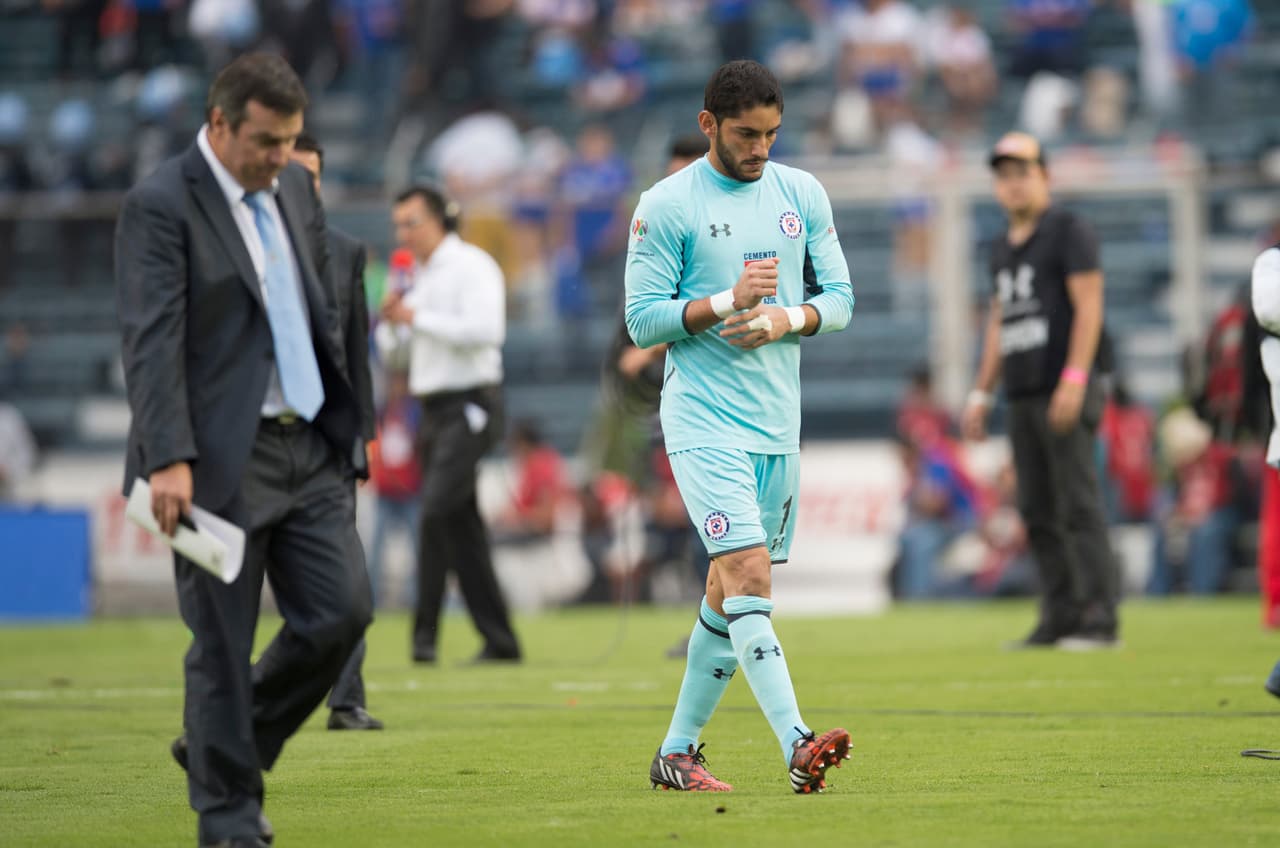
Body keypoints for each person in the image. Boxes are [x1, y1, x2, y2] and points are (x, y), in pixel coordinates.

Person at [115, 53, 371, 848]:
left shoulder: (293, 185)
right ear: (220, 123)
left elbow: (320, 310)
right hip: (216, 458)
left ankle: (223, 751)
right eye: (266, 140)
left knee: (342, 614)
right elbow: (151, 340)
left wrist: (342, 425)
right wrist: (167, 454)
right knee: (222, 643)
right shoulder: (160, 205)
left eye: (290, 140)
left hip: (309, 446)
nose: (279, 157)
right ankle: (228, 820)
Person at [626, 60, 854, 794]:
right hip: (703, 421)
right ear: (708, 126)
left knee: (728, 591)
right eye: (746, 135)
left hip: (776, 426)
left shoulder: (801, 194)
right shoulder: (666, 205)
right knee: (749, 572)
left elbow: (843, 297)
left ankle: (677, 754)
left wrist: (788, 316)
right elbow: (641, 321)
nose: (760, 148)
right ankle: (797, 743)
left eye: (771, 134)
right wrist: (725, 302)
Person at [961, 131, 1121, 650]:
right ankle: (1060, 616)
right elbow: (1000, 321)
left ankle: (1100, 620)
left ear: (1044, 175)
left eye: (1023, 171)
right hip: (1024, 392)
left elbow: (1090, 307)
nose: (1013, 183)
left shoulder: (1069, 230)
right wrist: (982, 392)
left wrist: (1076, 378)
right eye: (1004, 174)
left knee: (1078, 504)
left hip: (1065, 384)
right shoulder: (1001, 247)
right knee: (1036, 509)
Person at [377, 184, 521, 665]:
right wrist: (394, 323)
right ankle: (500, 639)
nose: (404, 233)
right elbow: (397, 353)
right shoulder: (414, 276)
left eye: (412, 221)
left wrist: (416, 315)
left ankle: (424, 637)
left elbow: (487, 332)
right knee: (462, 528)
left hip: (470, 404)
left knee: (434, 511)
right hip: (432, 409)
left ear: (441, 218)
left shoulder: (472, 265)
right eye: (399, 224)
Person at [288, 133, 384, 732]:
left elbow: (356, 352)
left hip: (328, 443)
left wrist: (363, 434)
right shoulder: (240, 251)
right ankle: (231, 704)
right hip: (257, 442)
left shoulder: (347, 253)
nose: (305, 187)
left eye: (313, 176)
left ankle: (346, 698)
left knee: (348, 578)